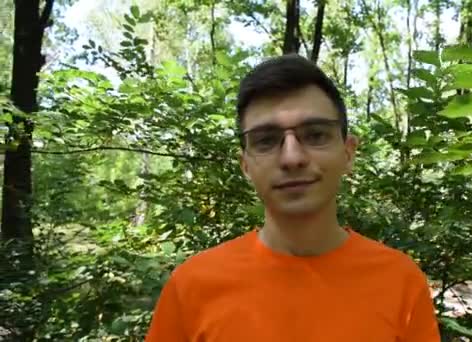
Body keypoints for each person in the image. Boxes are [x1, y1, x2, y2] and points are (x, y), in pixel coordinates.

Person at [145, 54, 440, 341]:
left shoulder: (399, 281)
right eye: (266, 140)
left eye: (315, 135)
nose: (292, 157)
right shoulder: (192, 286)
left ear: (348, 153)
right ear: (245, 165)